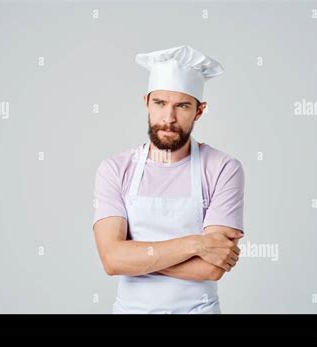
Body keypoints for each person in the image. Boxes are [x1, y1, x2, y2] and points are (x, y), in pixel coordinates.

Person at [92, 45, 245, 314]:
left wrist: (135, 257)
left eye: (182, 106)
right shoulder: (115, 169)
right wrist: (196, 244)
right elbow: (112, 260)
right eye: (160, 103)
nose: (168, 118)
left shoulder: (223, 168)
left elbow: (211, 267)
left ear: (199, 111)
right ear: (146, 103)